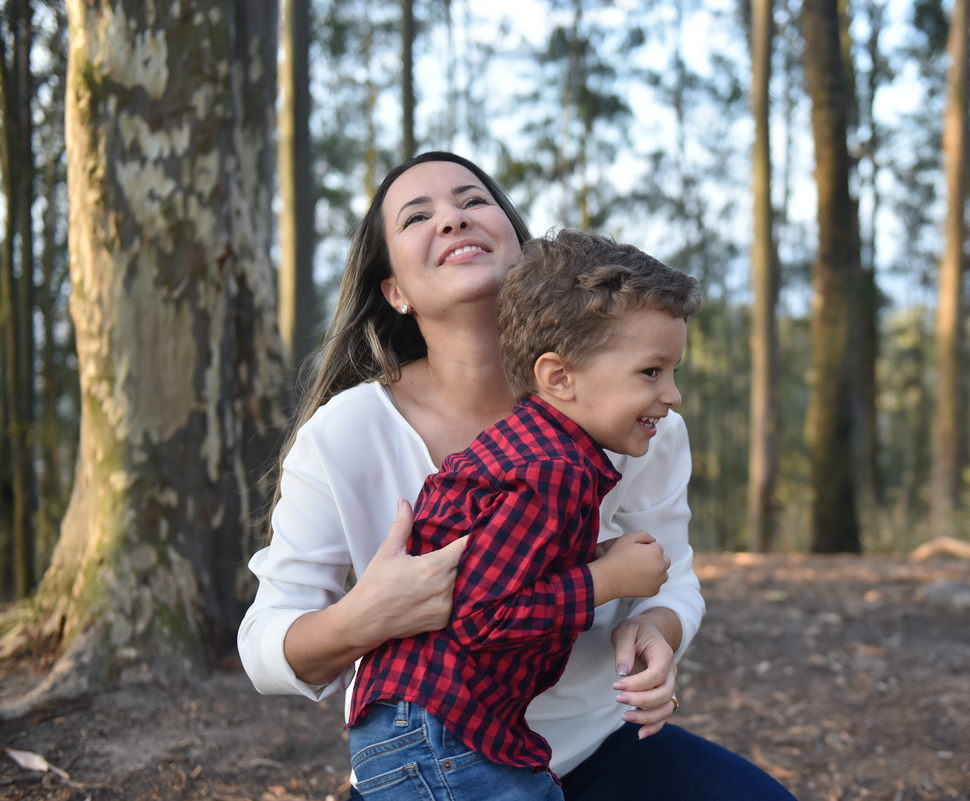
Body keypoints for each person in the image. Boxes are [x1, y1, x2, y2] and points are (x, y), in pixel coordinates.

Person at [237, 151, 797, 801]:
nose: (452, 219)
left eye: (473, 200)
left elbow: (671, 576)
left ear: (522, 250)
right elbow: (264, 642)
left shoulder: (637, 415)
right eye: (417, 216)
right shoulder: (345, 434)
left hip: (598, 744)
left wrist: (658, 629)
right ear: (394, 292)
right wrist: (363, 617)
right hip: (434, 763)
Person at [346, 229, 701, 800]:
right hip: (436, 726)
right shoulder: (552, 471)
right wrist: (605, 580)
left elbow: (503, 569)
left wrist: (599, 557)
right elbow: (481, 617)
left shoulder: (529, 450)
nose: (672, 394)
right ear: (558, 377)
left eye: (672, 372)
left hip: (434, 720)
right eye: (651, 372)